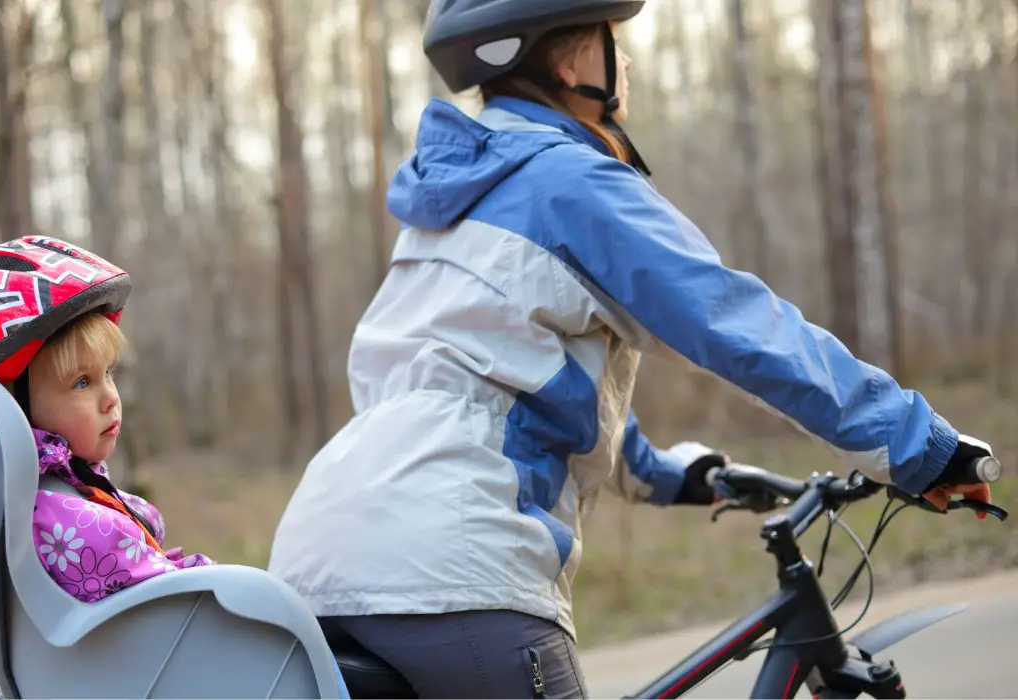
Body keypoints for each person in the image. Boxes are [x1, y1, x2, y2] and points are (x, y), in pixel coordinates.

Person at [267, 0, 997, 697]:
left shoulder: (444, 204)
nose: (628, 59)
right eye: (613, 35)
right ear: (574, 57)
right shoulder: (568, 179)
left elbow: (506, 395)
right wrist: (915, 444)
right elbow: (737, 323)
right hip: (450, 569)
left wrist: (683, 476)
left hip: (317, 564)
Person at [0, 235, 216, 603]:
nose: (110, 398)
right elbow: (192, 605)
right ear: (6, 403)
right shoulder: (74, 528)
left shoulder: (35, 500)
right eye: (82, 382)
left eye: (108, 373)